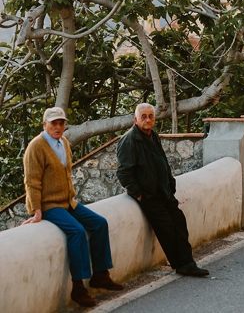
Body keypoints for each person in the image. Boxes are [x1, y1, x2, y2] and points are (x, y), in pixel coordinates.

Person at [22, 106, 124, 307]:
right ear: (45, 124)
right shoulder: (36, 146)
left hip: (69, 201)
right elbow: (31, 181)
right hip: (50, 205)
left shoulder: (64, 143)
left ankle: (101, 275)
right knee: (76, 232)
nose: (58, 127)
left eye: (61, 123)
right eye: (54, 123)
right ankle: (78, 287)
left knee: (100, 223)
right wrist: (36, 211)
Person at [115, 103, 209, 278]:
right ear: (135, 119)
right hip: (149, 195)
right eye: (143, 116)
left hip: (164, 191)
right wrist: (139, 193)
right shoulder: (129, 141)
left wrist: (170, 183)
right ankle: (180, 264)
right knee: (166, 228)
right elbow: (123, 172)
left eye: (150, 116)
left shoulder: (153, 136)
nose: (148, 119)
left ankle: (187, 262)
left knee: (179, 222)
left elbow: (162, 162)